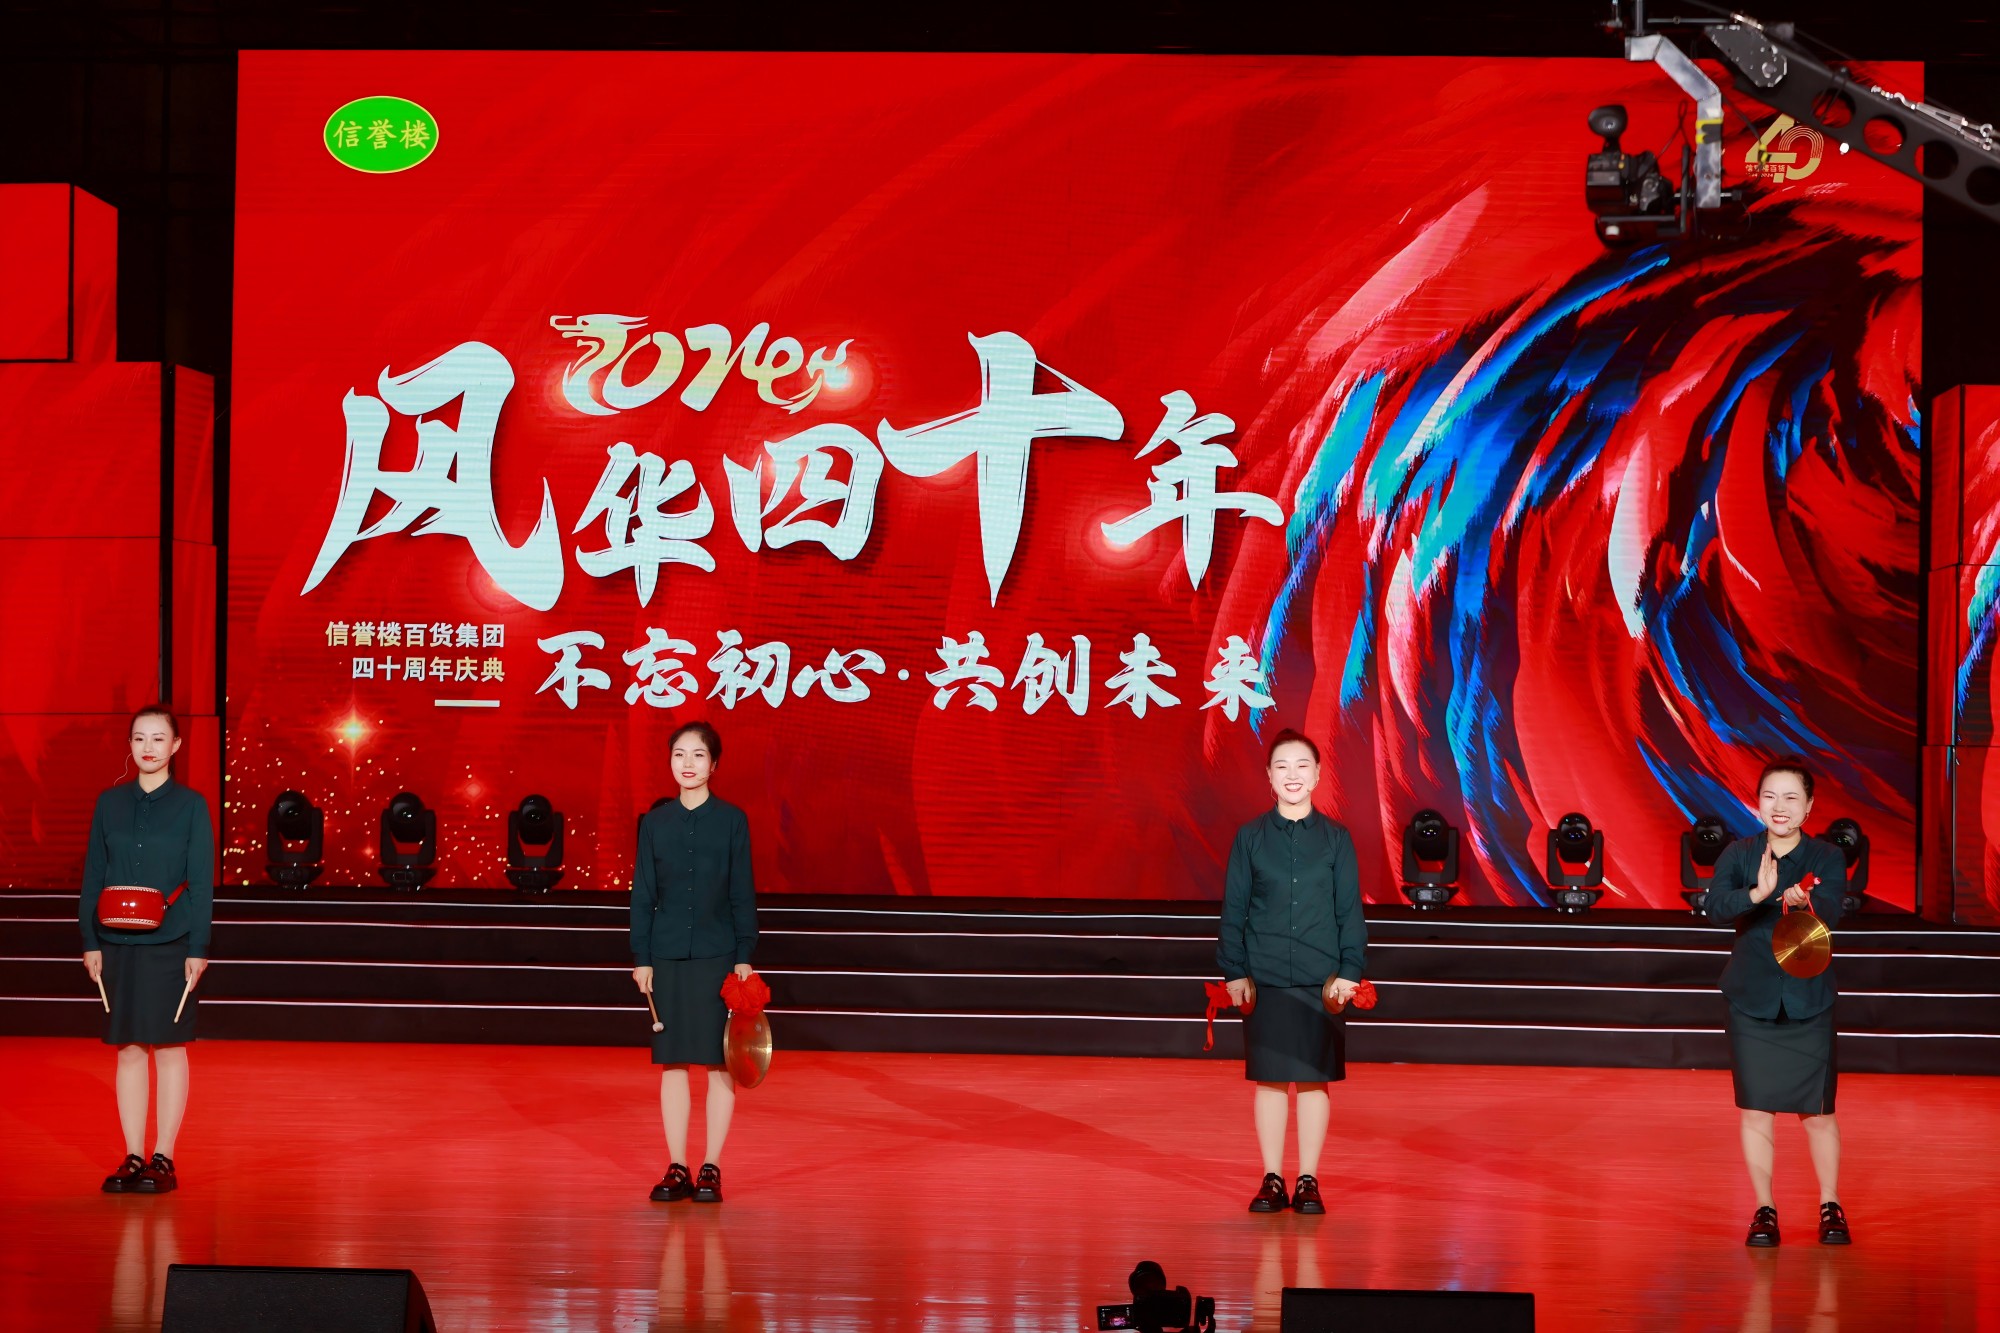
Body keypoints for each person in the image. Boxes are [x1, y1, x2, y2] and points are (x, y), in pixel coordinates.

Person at [1216, 728, 1367, 1215]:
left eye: (1302, 766)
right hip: (1265, 976)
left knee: (1315, 1081)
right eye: (1282, 766)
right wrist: (1233, 971)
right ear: (1269, 776)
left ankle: (1308, 1180)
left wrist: (1350, 969)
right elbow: (1234, 909)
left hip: (1323, 980)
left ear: (1318, 774)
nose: (1293, 775)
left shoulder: (1337, 839)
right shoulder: (1250, 838)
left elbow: (1350, 911)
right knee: (1271, 1080)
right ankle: (1272, 1179)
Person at [1704, 755, 1852, 1247]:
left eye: (1791, 797)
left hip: (1809, 998)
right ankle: (1764, 1209)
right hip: (1752, 998)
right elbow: (1714, 907)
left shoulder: (1825, 856)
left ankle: (1830, 1205)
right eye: (1770, 796)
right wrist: (1757, 893)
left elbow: (1833, 910)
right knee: (1756, 1110)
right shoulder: (1740, 853)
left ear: (1808, 807)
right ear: (1758, 803)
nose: (1780, 806)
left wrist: (1803, 902)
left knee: (1819, 1112)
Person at [78, 705, 214, 1195]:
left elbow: (201, 881)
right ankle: (133, 1155)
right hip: (115, 941)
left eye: (159, 738)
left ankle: (164, 1157)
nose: (148, 747)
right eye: (139, 738)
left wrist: (199, 946)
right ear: (130, 745)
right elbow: (93, 873)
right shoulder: (109, 803)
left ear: (175, 746)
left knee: (170, 1046)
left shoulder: (192, 805)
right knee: (129, 1048)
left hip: (172, 941)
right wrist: (89, 939)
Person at [631, 720, 758, 1204]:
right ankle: (677, 1166)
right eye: (679, 754)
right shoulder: (654, 824)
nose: (687, 763)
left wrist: (744, 953)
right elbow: (643, 896)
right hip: (666, 955)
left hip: (717, 952)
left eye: (698, 755)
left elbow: (741, 892)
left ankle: (711, 1167)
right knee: (673, 1062)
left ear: (714, 764)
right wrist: (642, 957)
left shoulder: (732, 821)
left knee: (719, 1062)